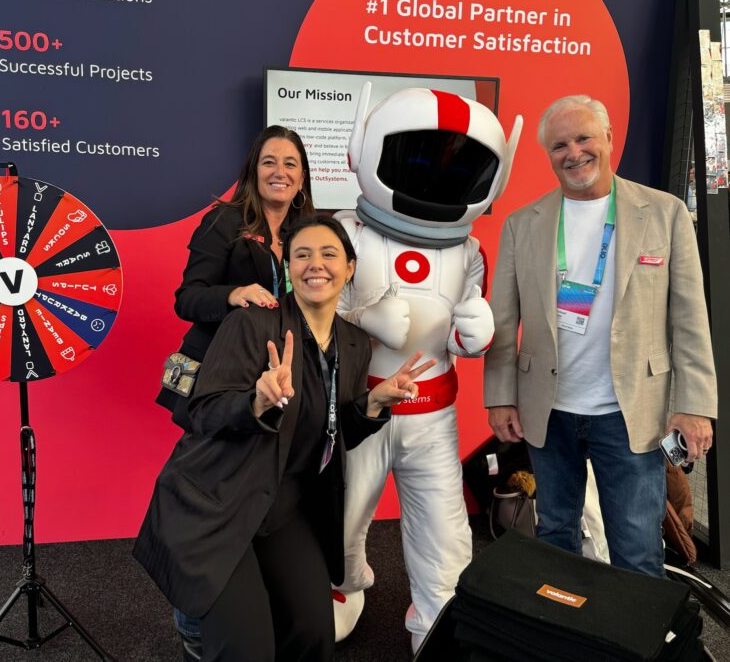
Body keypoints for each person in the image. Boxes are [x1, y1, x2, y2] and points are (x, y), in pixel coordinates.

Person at [135, 215, 435, 662]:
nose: (316, 264)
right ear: (289, 268)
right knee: (246, 649)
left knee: (314, 636)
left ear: (349, 268)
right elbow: (203, 411)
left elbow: (334, 430)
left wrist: (373, 403)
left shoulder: (353, 344)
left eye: (329, 254)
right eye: (302, 255)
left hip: (285, 506)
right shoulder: (253, 325)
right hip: (219, 500)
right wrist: (255, 402)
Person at [484, 94, 717, 578]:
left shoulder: (665, 213)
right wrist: (499, 397)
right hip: (548, 409)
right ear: (548, 154)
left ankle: (638, 651)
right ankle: (567, 636)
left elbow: (690, 320)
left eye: (584, 137)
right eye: (559, 145)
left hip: (629, 412)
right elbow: (503, 323)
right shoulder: (520, 225)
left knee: (636, 547)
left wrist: (695, 406)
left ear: (608, 139)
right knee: (555, 538)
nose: (574, 152)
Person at [332, 84, 521, 652]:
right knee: (339, 518)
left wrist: (474, 334)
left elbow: (464, 335)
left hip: (434, 414)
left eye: (458, 167)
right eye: (418, 156)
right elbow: (312, 304)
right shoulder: (346, 232)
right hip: (360, 408)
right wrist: (361, 317)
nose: (436, 176)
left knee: (443, 535)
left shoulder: (469, 252)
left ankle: (438, 626)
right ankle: (345, 586)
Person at [155, 124, 315, 657]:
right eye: (270, 162)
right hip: (218, 379)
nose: (280, 173)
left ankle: (247, 601)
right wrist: (234, 294)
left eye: (291, 164)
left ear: (302, 177)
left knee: (260, 492)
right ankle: (194, 624)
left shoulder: (305, 229)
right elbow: (186, 298)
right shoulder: (223, 221)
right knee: (209, 501)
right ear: (253, 169)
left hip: (277, 380)